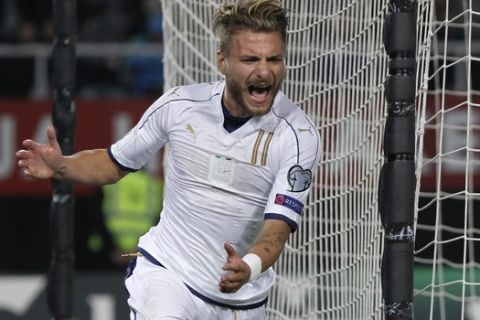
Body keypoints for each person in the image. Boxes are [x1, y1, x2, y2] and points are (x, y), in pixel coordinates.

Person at [16, 0, 321, 319]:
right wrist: (61, 165)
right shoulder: (179, 106)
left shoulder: (298, 136)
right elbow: (112, 163)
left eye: (274, 59)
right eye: (250, 59)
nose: (263, 70)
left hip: (242, 300)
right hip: (169, 275)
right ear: (223, 61)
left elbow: (278, 227)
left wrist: (250, 265)